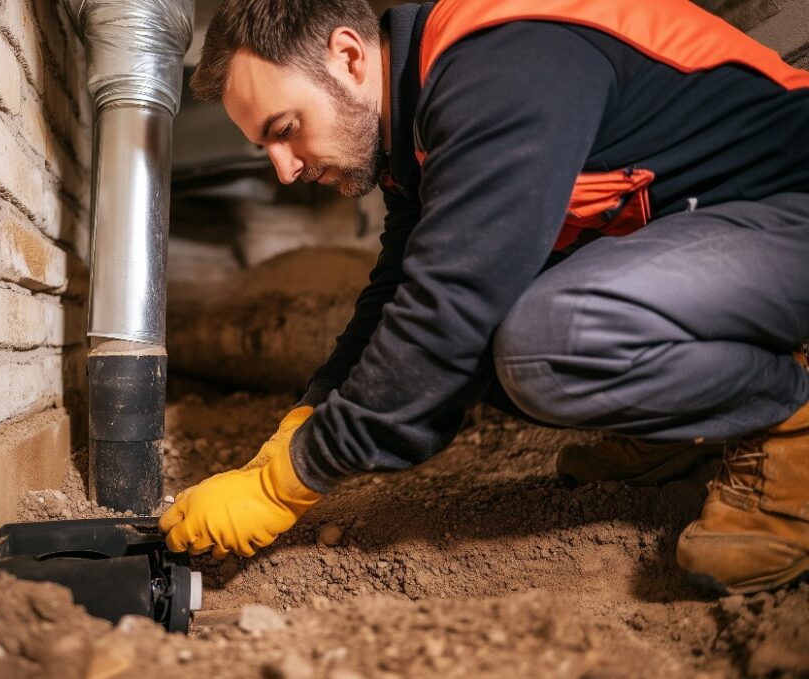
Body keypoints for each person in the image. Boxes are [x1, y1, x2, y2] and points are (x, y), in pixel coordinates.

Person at [158, 0, 809, 594]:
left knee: (544, 342)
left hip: (788, 217)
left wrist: (287, 481)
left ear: (349, 57)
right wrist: (308, 412)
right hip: (720, 246)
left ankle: (786, 421)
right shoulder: (416, 127)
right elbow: (403, 289)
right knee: (488, 351)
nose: (285, 167)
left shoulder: (501, 64)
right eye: (266, 146)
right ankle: (679, 420)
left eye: (285, 127)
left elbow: (450, 309)